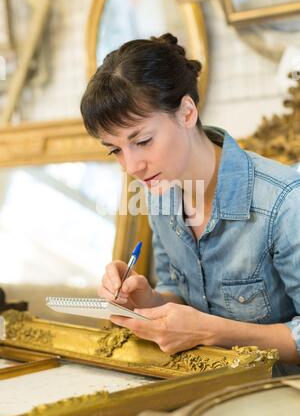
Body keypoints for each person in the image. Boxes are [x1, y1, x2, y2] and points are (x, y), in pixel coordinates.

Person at [80, 33, 300, 371]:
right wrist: (149, 300)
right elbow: (177, 289)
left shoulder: (285, 202)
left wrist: (210, 331)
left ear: (186, 112)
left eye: (143, 140)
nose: (132, 167)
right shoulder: (158, 195)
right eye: (116, 151)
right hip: (199, 388)